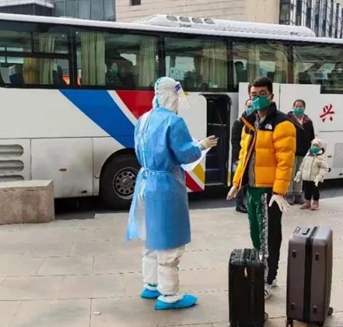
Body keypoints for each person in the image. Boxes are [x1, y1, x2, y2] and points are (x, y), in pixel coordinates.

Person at [127, 77, 218, 310]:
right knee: (169, 240)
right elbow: (185, 154)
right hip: (166, 186)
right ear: (172, 96)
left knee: (151, 235)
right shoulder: (173, 121)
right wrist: (202, 145)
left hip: (145, 182)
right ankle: (169, 294)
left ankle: (151, 284)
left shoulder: (143, 119)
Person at [226, 76, 296, 300]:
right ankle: (262, 272)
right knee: (256, 235)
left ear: (271, 96)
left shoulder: (282, 123)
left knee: (269, 237)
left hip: (269, 192)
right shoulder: (249, 123)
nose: (257, 98)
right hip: (252, 189)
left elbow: (285, 162)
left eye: (262, 94)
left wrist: (279, 192)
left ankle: (267, 278)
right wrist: (237, 184)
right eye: (253, 95)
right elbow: (244, 156)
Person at [287, 99, 316, 204]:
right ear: (293, 107)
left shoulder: (308, 121)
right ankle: (289, 194)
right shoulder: (288, 120)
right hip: (292, 151)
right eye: (297, 106)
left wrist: (311, 150)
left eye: (301, 106)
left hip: (304, 152)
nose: (299, 108)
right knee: (290, 174)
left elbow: (311, 137)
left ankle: (298, 195)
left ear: (304, 108)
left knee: (300, 174)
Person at [231, 98, 253, 213]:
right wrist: (237, 158)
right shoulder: (239, 122)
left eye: (252, 106)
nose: (250, 108)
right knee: (239, 180)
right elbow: (235, 142)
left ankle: (249, 203)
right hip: (241, 157)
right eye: (248, 106)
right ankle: (239, 204)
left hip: (251, 157)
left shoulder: (256, 122)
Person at [295, 138, 329, 211]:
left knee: (315, 191)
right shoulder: (308, 155)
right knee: (307, 190)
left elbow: (324, 168)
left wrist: (320, 176)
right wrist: (299, 172)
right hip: (306, 177)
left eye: (317, 146)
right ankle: (307, 202)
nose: (314, 147)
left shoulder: (321, 157)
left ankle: (315, 203)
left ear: (320, 147)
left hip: (315, 178)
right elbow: (303, 164)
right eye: (313, 145)